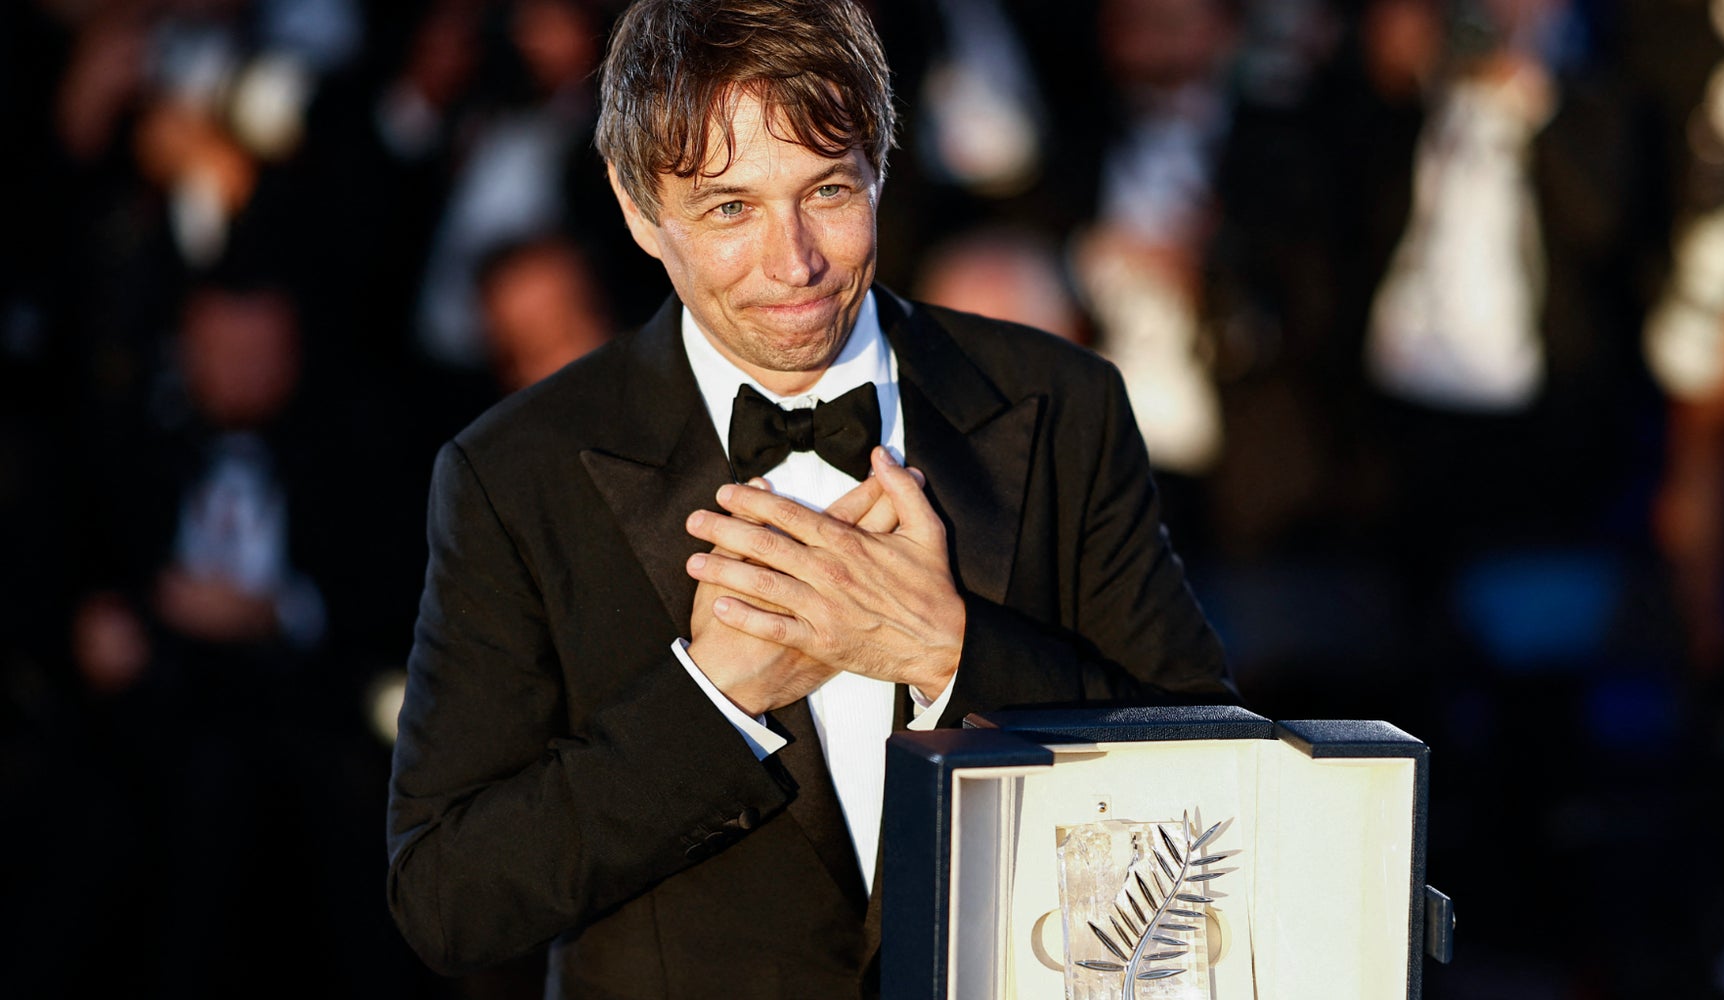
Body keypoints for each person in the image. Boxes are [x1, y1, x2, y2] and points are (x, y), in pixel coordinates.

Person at [383, 1, 1235, 996]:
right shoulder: (514, 471)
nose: (795, 263)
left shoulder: (1062, 405)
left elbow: (1209, 775)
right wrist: (715, 703)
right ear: (634, 204)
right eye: (730, 207)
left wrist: (950, 654)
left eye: (826, 188)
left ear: (879, 164)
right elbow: (448, 897)